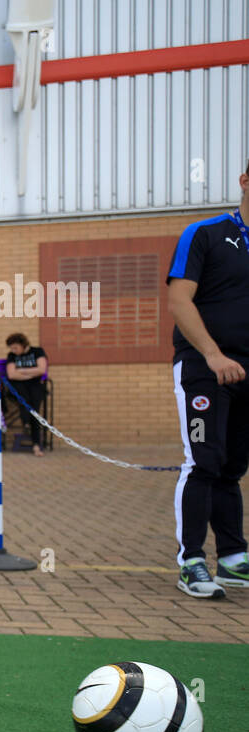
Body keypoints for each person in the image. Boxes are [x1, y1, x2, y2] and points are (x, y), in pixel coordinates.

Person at [166, 160, 249, 599]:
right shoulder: (206, 234)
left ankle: (234, 557)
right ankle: (192, 560)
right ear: (244, 181)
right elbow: (179, 299)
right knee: (203, 462)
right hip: (204, 368)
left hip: (247, 374)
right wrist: (213, 354)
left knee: (233, 467)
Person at [4, 333, 49, 456]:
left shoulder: (37, 351)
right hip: (19, 387)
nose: (14, 351)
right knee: (24, 398)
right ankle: (26, 422)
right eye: (11, 348)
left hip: (35, 386)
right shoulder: (12, 356)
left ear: (23, 345)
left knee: (34, 411)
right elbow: (11, 374)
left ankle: (36, 444)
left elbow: (42, 369)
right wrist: (31, 374)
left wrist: (22, 371)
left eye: (15, 348)